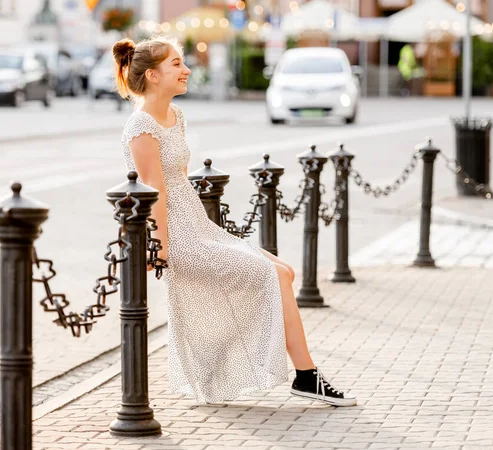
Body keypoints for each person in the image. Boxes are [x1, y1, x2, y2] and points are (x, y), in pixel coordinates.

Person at [113, 35, 356, 407]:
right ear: (153, 75)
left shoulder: (176, 116)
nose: (187, 69)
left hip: (197, 224)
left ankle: (245, 365)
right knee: (272, 276)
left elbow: (177, 176)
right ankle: (307, 376)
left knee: (284, 272)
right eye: (176, 63)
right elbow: (154, 191)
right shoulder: (142, 127)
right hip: (178, 236)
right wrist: (159, 248)